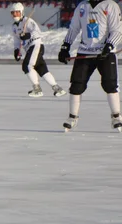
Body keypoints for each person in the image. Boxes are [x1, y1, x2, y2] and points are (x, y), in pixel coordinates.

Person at [57, 0, 122, 132]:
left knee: (110, 84)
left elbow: (117, 30)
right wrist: (65, 46)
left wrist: (109, 45)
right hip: (85, 52)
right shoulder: (82, 6)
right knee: (76, 85)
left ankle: (116, 117)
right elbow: (74, 28)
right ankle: (72, 117)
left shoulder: (110, 5)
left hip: (105, 53)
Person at [10, 3, 66, 98]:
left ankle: (37, 89)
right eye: (13, 13)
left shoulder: (28, 21)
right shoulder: (14, 27)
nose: (15, 14)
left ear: (21, 12)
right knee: (41, 69)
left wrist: (28, 35)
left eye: (17, 12)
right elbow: (16, 40)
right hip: (29, 48)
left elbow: (37, 31)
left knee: (27, 66)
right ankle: (57, 88)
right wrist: (16, 50)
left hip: (35, 45)